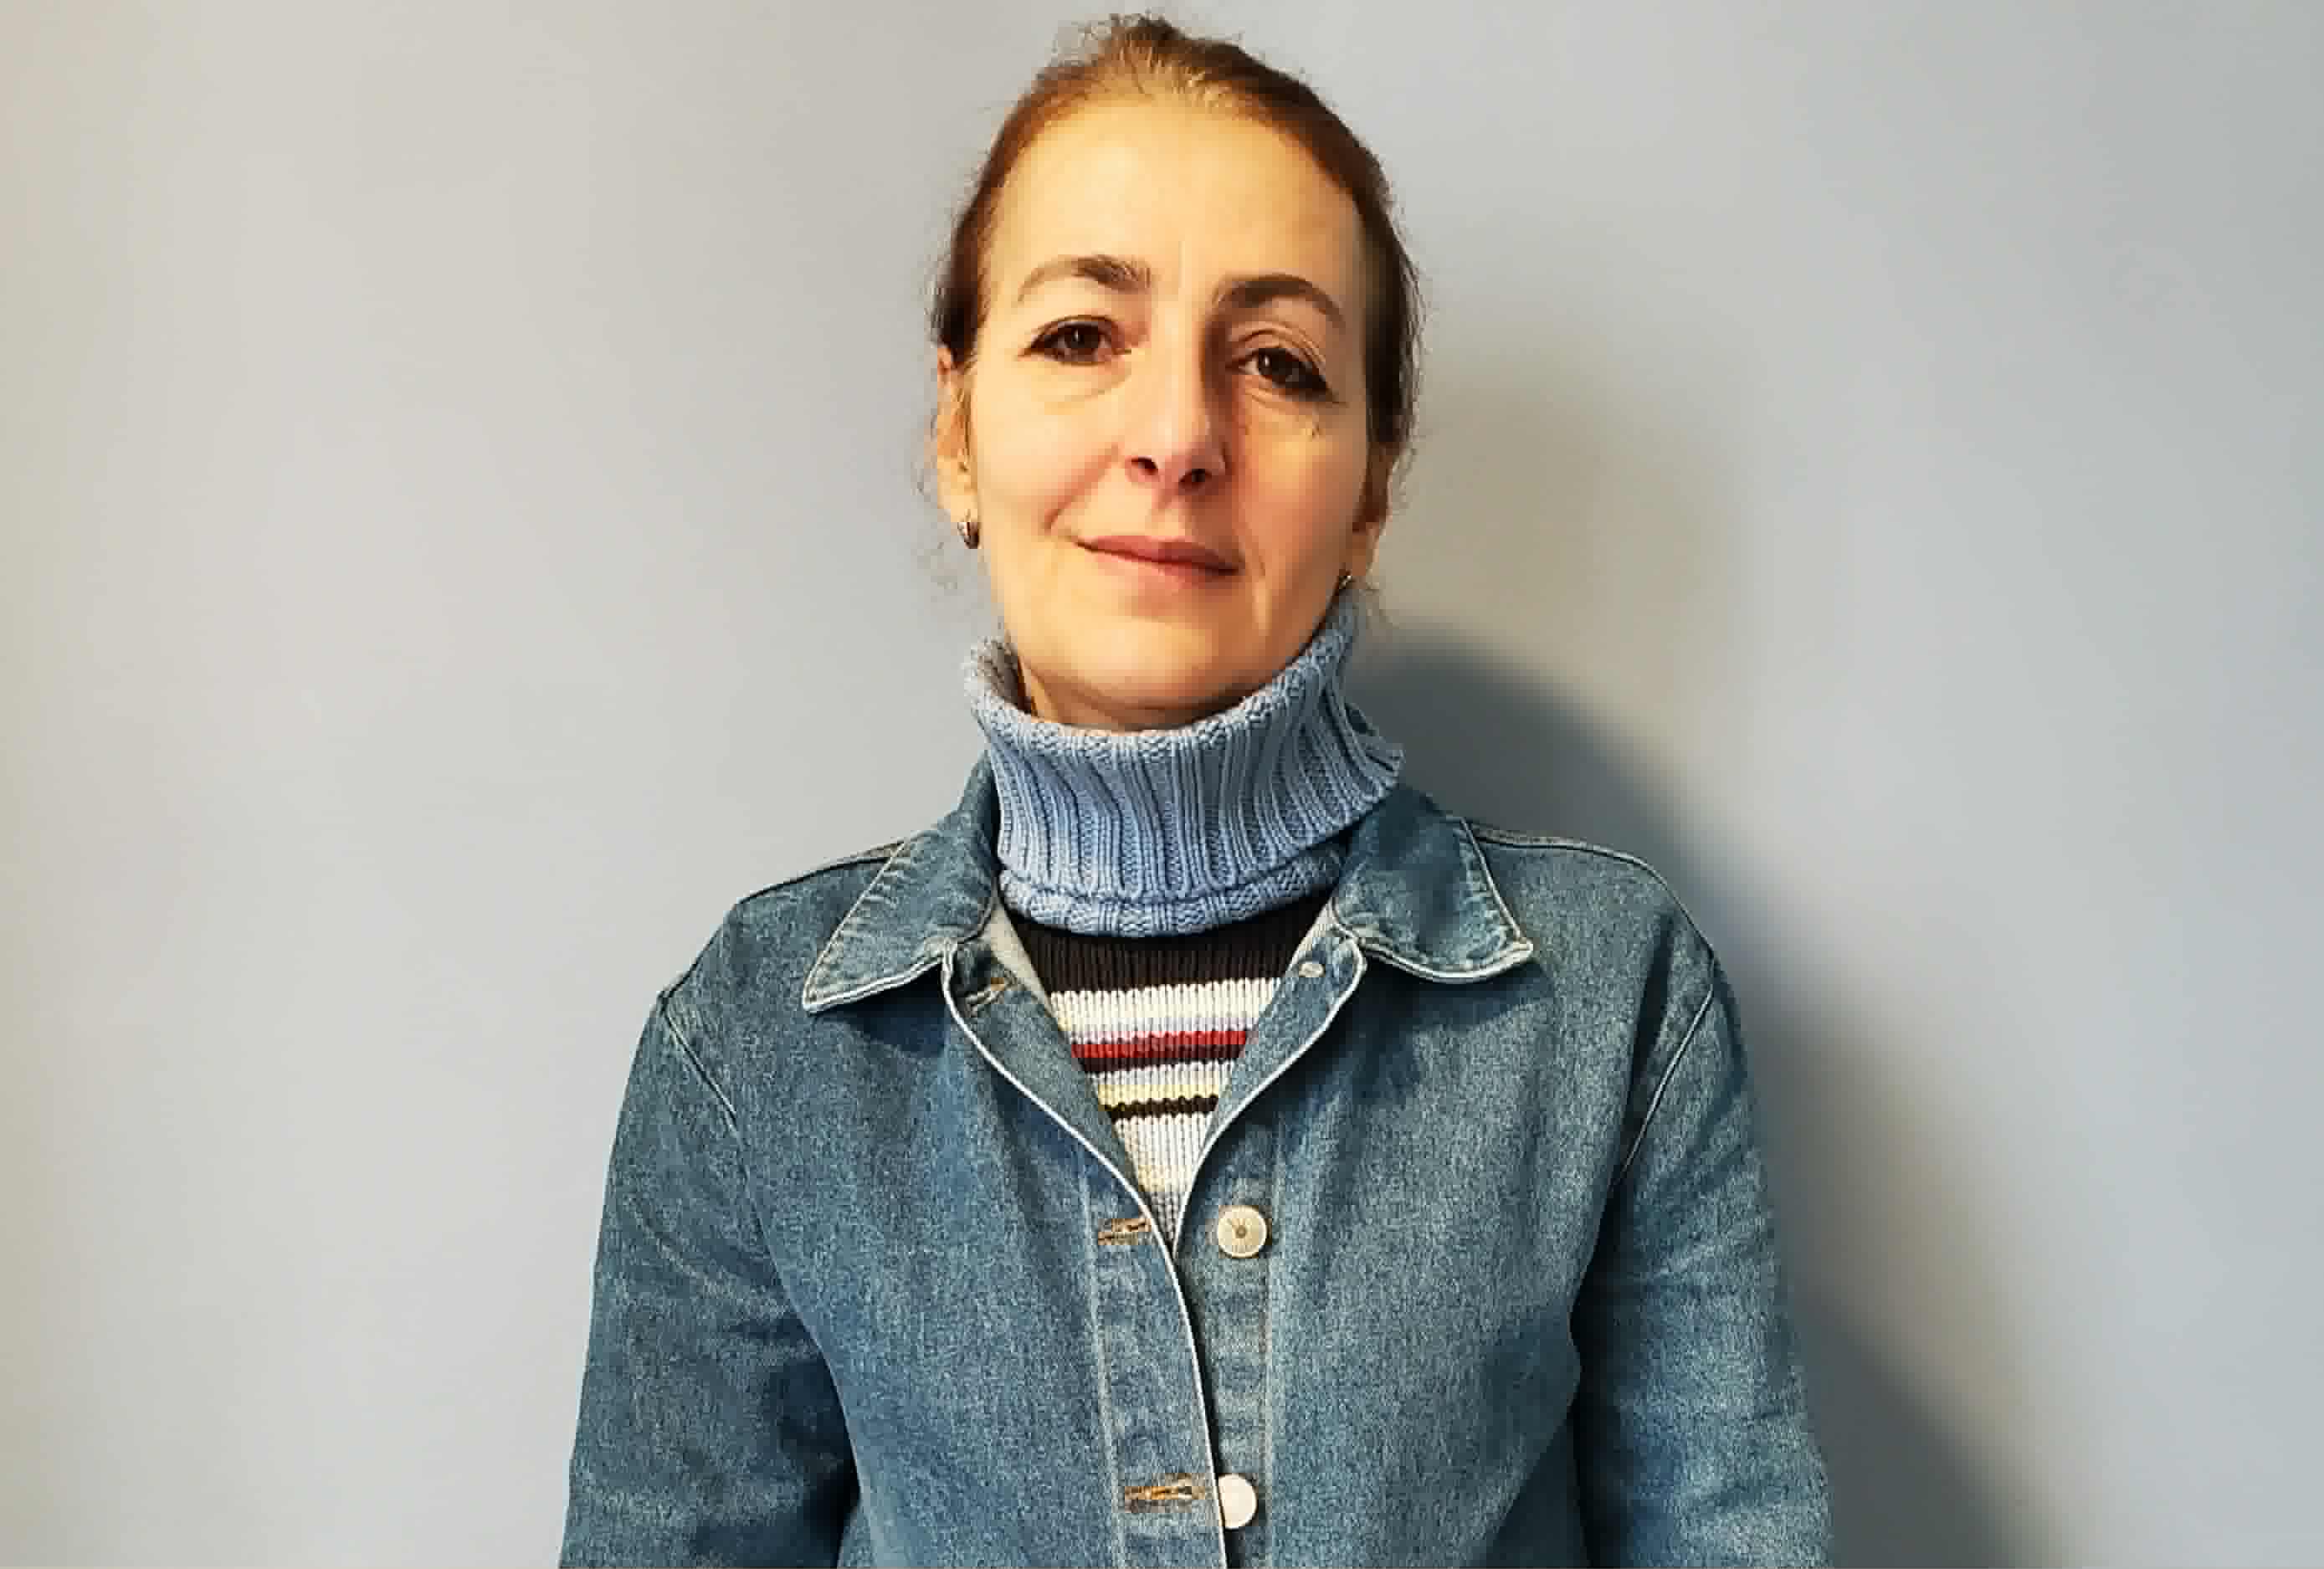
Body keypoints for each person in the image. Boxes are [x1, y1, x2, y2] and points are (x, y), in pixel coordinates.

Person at [560, 14, 1833, 1566]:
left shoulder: (1613, 999)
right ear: (957, 430)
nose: (1174, 437)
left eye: (1277, 364)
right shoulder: (756, 1049)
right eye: (1081, 338)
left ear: (1370, 489)